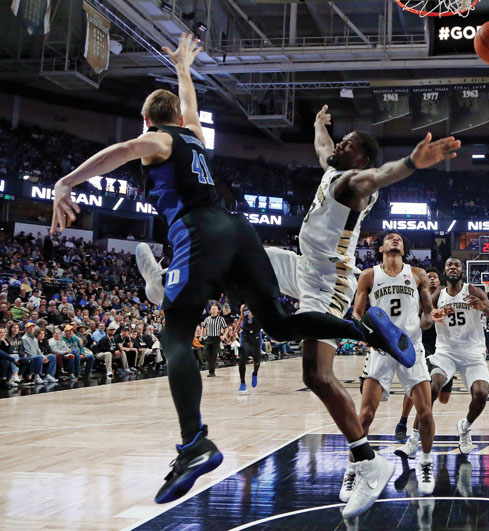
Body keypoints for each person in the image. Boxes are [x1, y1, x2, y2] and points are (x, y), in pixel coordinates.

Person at [52, 33, 420, 506]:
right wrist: (183, 68)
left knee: (179, 338)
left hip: (244, 247)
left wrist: (66, 182)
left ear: (148, 121)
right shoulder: (192, 134)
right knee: (278, 324)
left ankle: (194, 442)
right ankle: (362, 332)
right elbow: (192, 106)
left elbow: (119, 151)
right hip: (241, 234)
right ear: (180, 119)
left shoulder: (158, 138)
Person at [264, 104, 460, 518]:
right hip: (307, 268)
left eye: (349, 143)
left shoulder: (356, 184)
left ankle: (400, 462)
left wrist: (411, 162)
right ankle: (170, 285)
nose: (340, 144)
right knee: (243, 254)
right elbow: (323, 150)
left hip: (338, 290)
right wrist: (318, 125)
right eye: (342, 139)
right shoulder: (335, 173)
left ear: (362, 158)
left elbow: (379, 175)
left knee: (321, 377)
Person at [342, 231, 444, 502]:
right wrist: (367, 332)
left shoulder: (418, 274)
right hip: (381, 349)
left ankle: (425, 462)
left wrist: (432, 317)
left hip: (411, 346)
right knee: (365, 415)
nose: (395, 239)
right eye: (390, 238)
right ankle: (353, 469)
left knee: (425, 411)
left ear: (404, 248)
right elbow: (357, 313)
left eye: (399, 238)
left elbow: (426, 315)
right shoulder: (369, 276)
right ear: (380, 248)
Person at [411, 257, 489, 455]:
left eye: (457, 265)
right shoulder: (437, 296)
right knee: (432, 388)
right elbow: (423, 324)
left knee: (481, 394)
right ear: (445, 271)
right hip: (446, 352)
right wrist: (432, 316)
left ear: (463, 271)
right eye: (449, 265)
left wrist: (483, 307)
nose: (453, 267)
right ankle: (414, 437)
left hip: (473, 352)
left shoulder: (473, 291)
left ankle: (465, 426)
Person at [394, 267, 453, 442]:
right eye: (429, 277)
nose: (432, 279)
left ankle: (423, 416)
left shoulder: (448, 297)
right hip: (422, 343)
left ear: (440, 281)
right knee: (416, 383)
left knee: (444, 398)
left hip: (444, 347)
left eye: (435, 277)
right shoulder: (419, 297)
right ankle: (403, 422)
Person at [236, 304, 262, 392]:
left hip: (256, 333)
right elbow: (241, 318)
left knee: (257, 358)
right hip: (245, 334)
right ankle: (242, 383)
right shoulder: (243, 306)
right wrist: (235, 330)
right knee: (242, 358)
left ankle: (255, 373)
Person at [201, 305, 227, 378]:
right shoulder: (207, 318)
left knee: (213, 356)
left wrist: (224, 336)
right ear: (210, 311)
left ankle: (212, 372)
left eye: (215, 309)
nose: (214, 310)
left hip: (216, 338)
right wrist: (202, 335)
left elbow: (226, 328)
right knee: (205, 354)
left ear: (218, 311)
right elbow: (203, 327)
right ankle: (210, 364)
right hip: (208, 338)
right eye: (212, 309)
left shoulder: (220, 319)